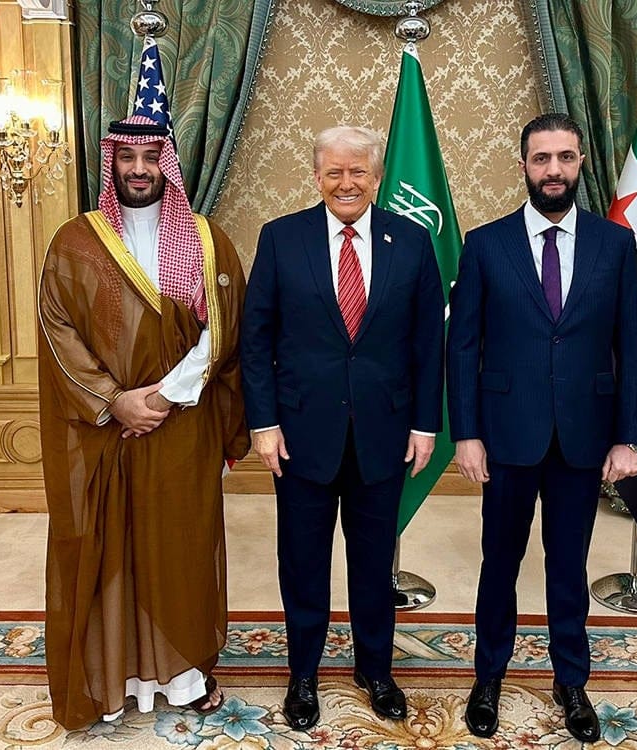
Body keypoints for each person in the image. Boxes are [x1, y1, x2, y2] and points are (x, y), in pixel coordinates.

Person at [37, 115, 249, 730]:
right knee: (108, 547)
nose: (138, 169)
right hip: (102, 428)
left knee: (180, 547)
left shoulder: (207, 240)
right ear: (112, 163)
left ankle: (183, 677)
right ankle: (113, 678)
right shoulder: (75, 241)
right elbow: (56, 329)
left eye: (150, 157)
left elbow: (225, 329)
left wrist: (160, 398)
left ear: (167, 165)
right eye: (126, 157)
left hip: (182, 427)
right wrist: (114, 400)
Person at [447, 113, 637, 742]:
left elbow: (633, 346)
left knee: (569, 566)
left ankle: (571, 681)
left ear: (580, 162)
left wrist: (630, 436)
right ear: (524, 167)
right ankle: (488, 678)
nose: (553, 170)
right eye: (541, 159)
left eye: (564, 157)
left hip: (583, 437)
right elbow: (463, 346)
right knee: (499, 564)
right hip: (506, 435)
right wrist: (466, 433)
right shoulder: (485, 244)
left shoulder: (615, 245)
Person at [240, 126, 444, 730]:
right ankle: (303, 673)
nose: (346, 183)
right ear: (317, 177)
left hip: (384, 433)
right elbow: (256, 340)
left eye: (358, 172)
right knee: (303, 561)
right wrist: (263, 423)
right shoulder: (281, 238)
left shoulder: (412, 240)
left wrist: (425, 424)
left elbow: (428, 342)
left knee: (374, 561)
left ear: (376, 177)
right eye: (334, 172)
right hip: (300, 434)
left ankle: (375, 670)